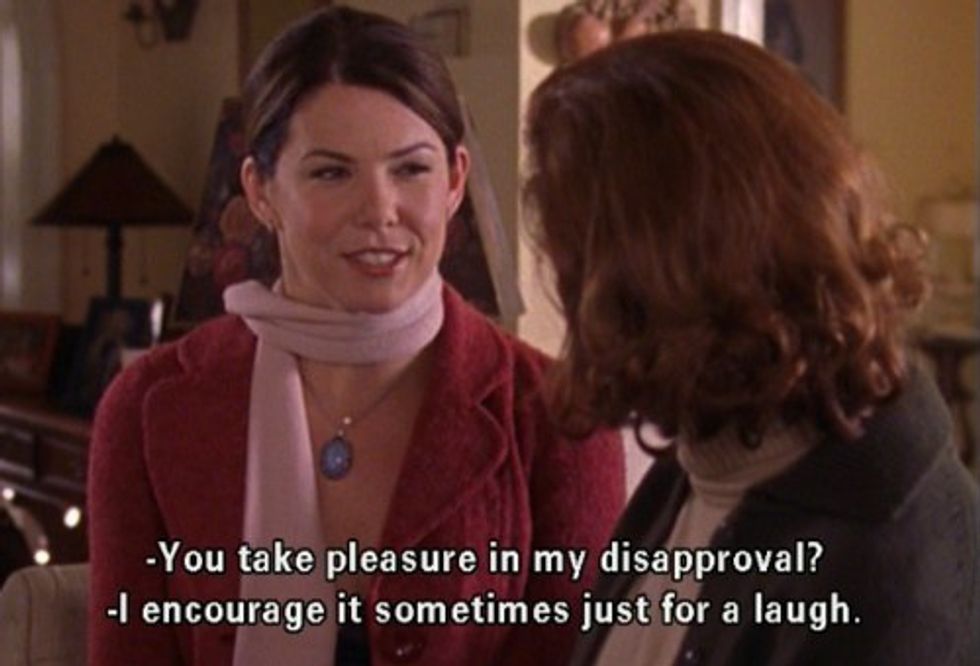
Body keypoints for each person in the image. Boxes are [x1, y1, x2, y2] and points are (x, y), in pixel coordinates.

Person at [87, 8, 624, 666]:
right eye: (331, 173)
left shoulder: (556, 416)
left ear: (455, 180)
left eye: (410, 170)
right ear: (260, 192)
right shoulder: (147, 407)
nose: (379, 211)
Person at [524, 30, 980, 666]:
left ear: (665, 274)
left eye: (576, 258)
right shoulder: (702, 457)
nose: (563, 287)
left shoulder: (889, 571)